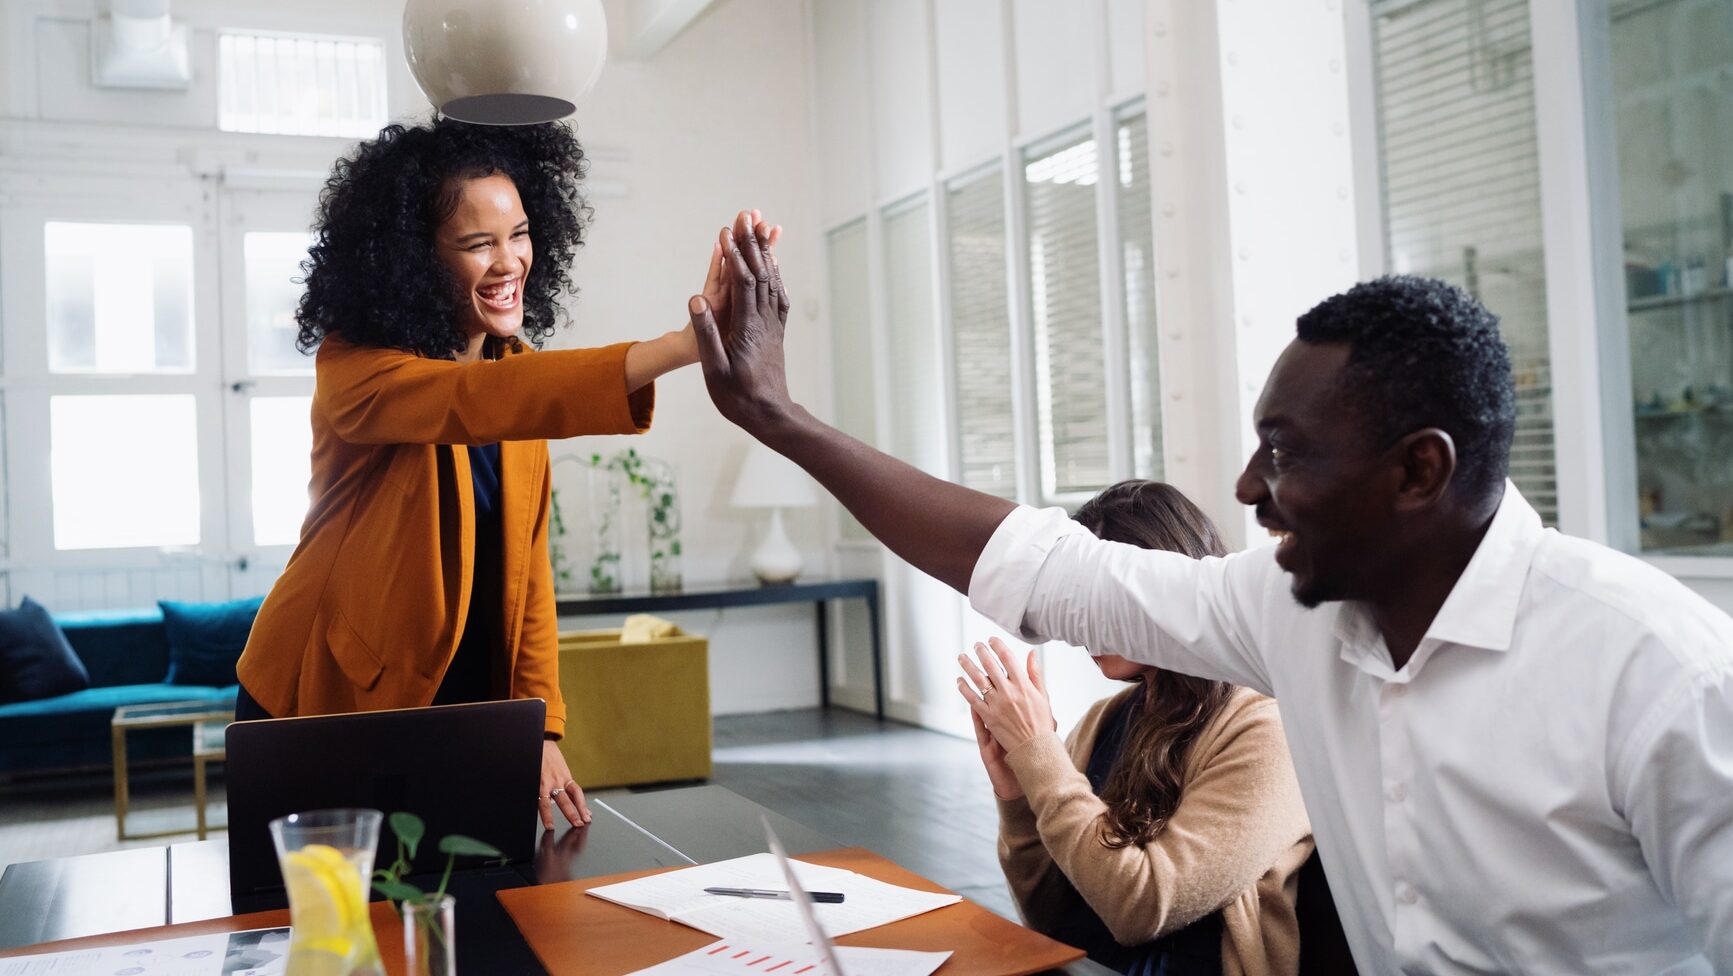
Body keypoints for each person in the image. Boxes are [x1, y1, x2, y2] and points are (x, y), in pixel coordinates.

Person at [686, 215, 1733, 973]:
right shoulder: (1288, 611)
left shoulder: (1658, 672)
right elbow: (1052, 568)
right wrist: (783, 421)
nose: (1244, 489)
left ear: (1416, 472)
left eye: (1282, 453)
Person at [234, 119, 775, 831]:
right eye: (476, 243)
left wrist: (539, 726)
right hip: (319, 703)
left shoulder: (513, 371)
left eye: (518, 234)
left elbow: (528, 579)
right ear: (414, 258)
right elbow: (471, 403)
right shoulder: (356, 369)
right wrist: (684, 344)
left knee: (477, 920)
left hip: (463, 716)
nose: (508, 261)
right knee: (332, 936)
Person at [960, 480, 1311, 976]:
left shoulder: (1268, 730)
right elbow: (1055, 918)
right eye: (1077, 601)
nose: (1080, 624)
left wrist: (1041, 754)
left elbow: (1142, 910)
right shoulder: (1104, 721)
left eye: (1105, 601)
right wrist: (1019, 797)